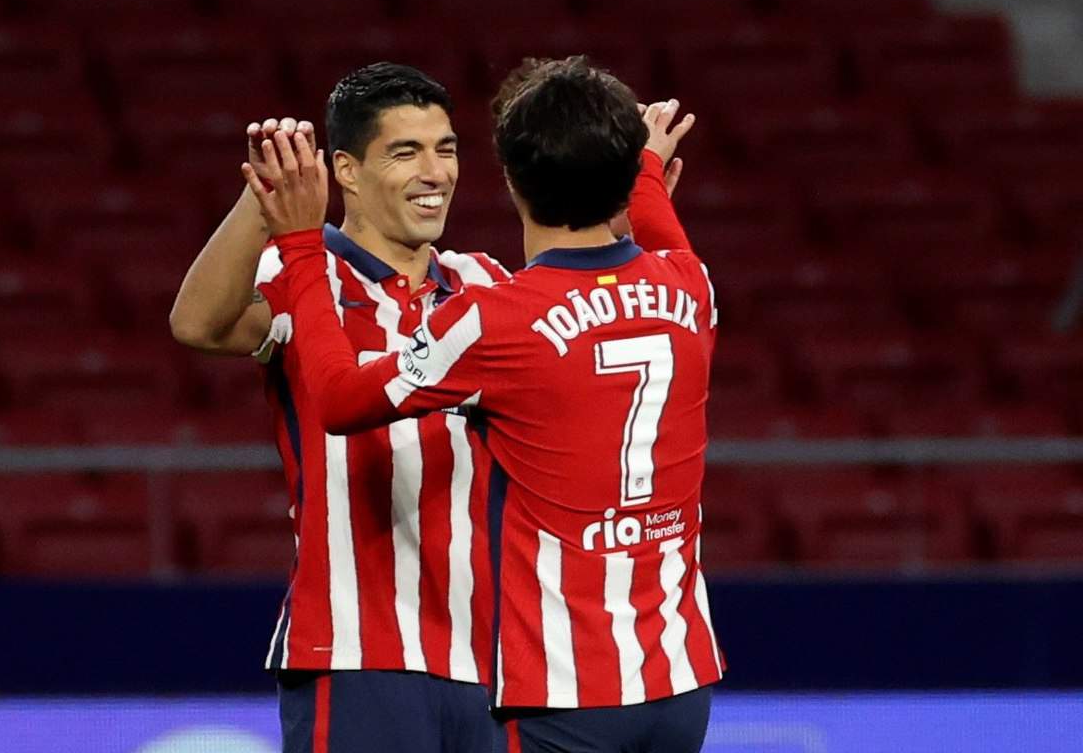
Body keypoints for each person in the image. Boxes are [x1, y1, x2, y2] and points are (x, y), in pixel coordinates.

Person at [243, 57, 722, 753]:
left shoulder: (497, 316)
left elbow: (343, 399)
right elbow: (654, 221)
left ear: (510, 181)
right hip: (678, 678)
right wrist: (640, 167)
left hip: (561, 689)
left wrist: (295, 242)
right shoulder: (691, 285)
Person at [170, 64, 507, 752]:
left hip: (494, 658)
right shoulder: (303, 273)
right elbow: (198, 324)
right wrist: (264, 201)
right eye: (406, 152)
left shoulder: (485, 282)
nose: (435, 172)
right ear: (346, 172)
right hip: (354, 654)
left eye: (445, 149)